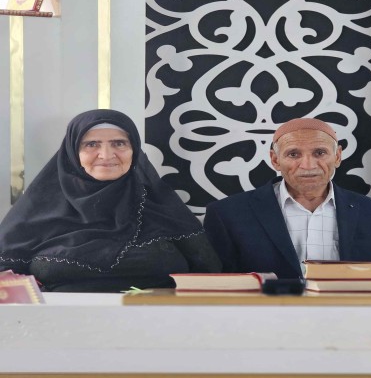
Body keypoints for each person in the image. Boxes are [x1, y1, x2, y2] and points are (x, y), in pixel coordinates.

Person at [0, 109, 221, 292]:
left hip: (158, 323)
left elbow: (210, 276)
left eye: (119, 143)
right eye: (91, 144)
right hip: (58, 324)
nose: (106, 155)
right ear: (72, 152)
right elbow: (6, 282)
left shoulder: (162, 208)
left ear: (134, 150)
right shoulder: (37, 211)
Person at [203, 118, 371, 279]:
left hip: (351, 314)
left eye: (320, 153)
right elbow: (216, 287)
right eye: (293, 154)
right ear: (275, 160)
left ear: (337, 156)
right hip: (263, 315)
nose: (308, 165)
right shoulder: (227, 214)